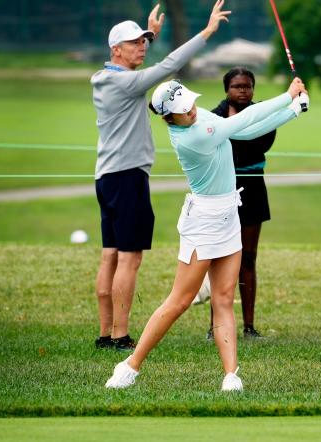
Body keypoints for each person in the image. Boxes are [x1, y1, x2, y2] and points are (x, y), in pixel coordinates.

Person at [104, 77, 308, 391]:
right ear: (169, 118)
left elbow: (246, 131)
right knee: (179, 302)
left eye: (191, 103)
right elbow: (245, 118)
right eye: (184, 109)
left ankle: (231, 376)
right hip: (203, 222)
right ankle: (129, 367)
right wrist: (286, 96)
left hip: (229, 216)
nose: (192, 110)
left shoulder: (200, 118)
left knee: (225, 298)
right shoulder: (193, 136)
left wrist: (294, 110)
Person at [91, 1, 229, 351]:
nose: (142, 47)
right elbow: (168, 67)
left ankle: (106, 332)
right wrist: (206, 33)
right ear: (115, 50)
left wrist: (151, 33)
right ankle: (120, 335)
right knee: (129, 256)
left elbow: (148, 64)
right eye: (135, 43)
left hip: (107, 178)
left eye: (144, 41)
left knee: (110, 254)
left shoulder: (107, 79)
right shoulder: (127, 84)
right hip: (127, 177)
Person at [192, 67, 278, 340]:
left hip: (253, 189)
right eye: (237, 86)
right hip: (222, 191)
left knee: (248, 259)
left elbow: (260, 145)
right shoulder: (213, 117)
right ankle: (215, 325)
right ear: (226, 90)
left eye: (248, 86)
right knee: (219, 259)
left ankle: (249, 327)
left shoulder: (262, 116)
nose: (243, 91)